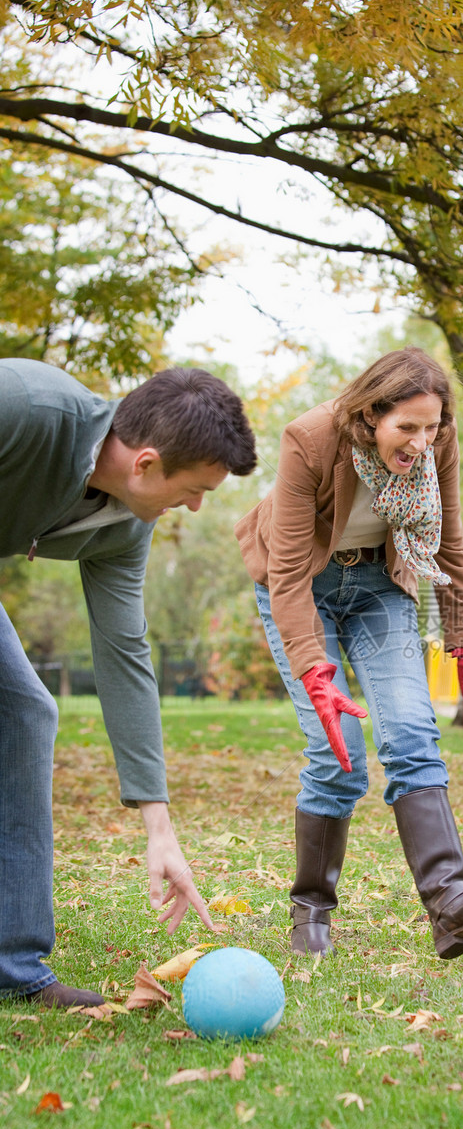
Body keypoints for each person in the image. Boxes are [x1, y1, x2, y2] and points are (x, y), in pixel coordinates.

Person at [235, 346, 463, 959]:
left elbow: (453, 547)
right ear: (369, 417)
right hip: (301, 586)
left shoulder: (437, 446)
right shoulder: (310, 438)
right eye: (406, 427)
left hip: (380, 588)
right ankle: (310, 909)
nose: (420, 442)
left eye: (432, 427)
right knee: (338, 757)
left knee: (413, 731)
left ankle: (451, 907)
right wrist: (315, 670)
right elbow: (284, 573)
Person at [0, 358, 257, 1008]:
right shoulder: (28, 408)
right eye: (195, 489)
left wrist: (159, 827)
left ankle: (14, 966)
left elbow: (124, 656)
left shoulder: (123, 524)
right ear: (145, 464)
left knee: (26, 711)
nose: (196, 507)